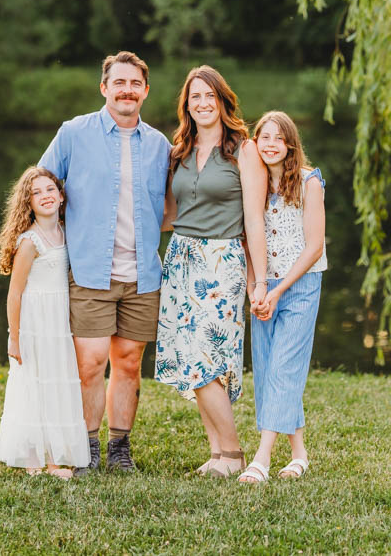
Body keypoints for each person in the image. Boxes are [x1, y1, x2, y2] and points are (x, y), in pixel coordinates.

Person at [39, 51, 171, 474]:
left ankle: (120, 448)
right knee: (91, 361)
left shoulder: (159, 145)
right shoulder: (74, 133)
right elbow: (41, 186)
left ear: (145, 91)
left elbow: (172, 202)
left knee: (129, 362)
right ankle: (88, 448)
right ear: (104, 88)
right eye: (119, 83)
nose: (127, 90)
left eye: (135, 84)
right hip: (91, 271)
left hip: (143, 274)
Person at [155, 65, 268, 478]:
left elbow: (253, 219)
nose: (202, 103)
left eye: (210, 96)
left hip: (222, 261)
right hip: (180, 256)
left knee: (208, 358)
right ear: (186, 104)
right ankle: (218, 454)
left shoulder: (244, 149)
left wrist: (260, 281)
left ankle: (235, 453)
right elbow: (170, 214)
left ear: (222, 101)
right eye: (195, 97)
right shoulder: (178, 150)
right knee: (190, 360)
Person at [237, 111, 327, 483]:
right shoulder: (254, 186)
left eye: (278, 137)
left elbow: (314, 246)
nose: (270, 144)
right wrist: (254, 290)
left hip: (299, 287)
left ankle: (261, 458)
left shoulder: (309, 182)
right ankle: (300, 454)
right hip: (263, 288)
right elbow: (246, 242)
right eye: (263, 137)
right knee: (270, 370)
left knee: (285, 368)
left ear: (290, 144)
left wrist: (278, 290)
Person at [0, 166, 89, 479]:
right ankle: (34, 462)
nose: (45, 196)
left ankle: (54, 460)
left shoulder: (66, 231)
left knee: (56, 386)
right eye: (36, 193)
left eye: (50, 189)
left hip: (60, 322)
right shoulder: (30, 241)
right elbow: (15, 293)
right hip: (36, 323)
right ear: (28, 203)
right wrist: (14, 336)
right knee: (34, 385)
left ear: (61, 196)